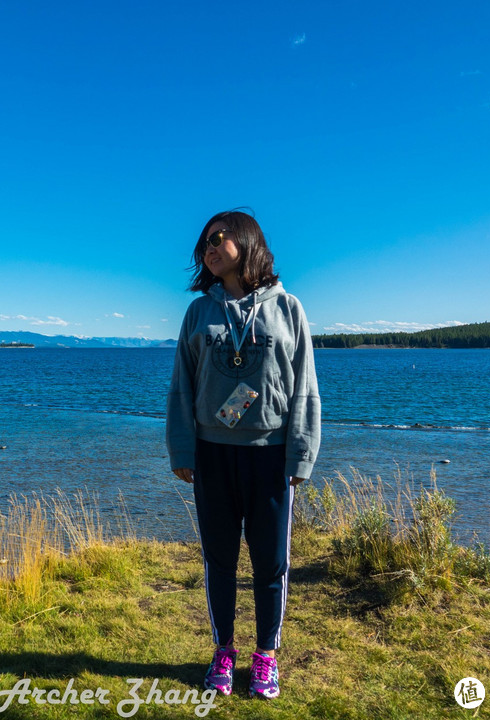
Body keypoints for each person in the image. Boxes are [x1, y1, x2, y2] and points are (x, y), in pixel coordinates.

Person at [166, 209, 320, 700]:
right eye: (203, 246)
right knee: (219, 560)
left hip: (270, 456)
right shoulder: (198, 313)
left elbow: (305, 389)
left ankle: (266, 656)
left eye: (217, 239)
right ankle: (224, 651)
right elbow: (181, 388)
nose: (208, 249)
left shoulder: (289, 308)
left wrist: (301, 454)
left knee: (271, 562)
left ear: (247, 240)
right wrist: (182, 448)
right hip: (212, 454)